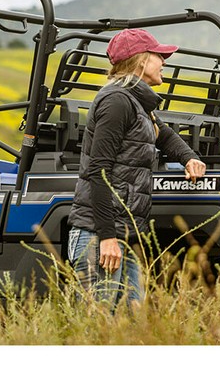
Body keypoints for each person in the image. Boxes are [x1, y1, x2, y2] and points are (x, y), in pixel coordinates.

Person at [67, 28, 207, 309]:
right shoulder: (117, 101)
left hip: (124, 234)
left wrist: (189, 157)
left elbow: (163, 134)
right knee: (97, 325)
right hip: (100, 235)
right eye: (159, 56)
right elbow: (99, 171)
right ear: (141, 61)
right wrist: (107, 237)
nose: (164, 62)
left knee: (130, 321)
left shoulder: (138, 104)